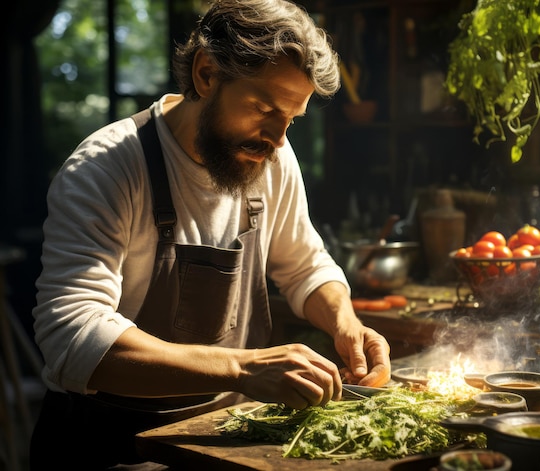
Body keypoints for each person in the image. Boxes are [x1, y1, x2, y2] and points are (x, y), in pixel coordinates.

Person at [29, 0, 391, 469]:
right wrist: (243, 369)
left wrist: (345, 322)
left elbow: (304, 264)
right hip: (110, 443)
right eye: (263, 107)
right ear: (205, 74)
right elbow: (71, 337)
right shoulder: (106, 167)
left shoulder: (271, 159)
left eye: (292, 118)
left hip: (221, 439)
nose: (279, 139)